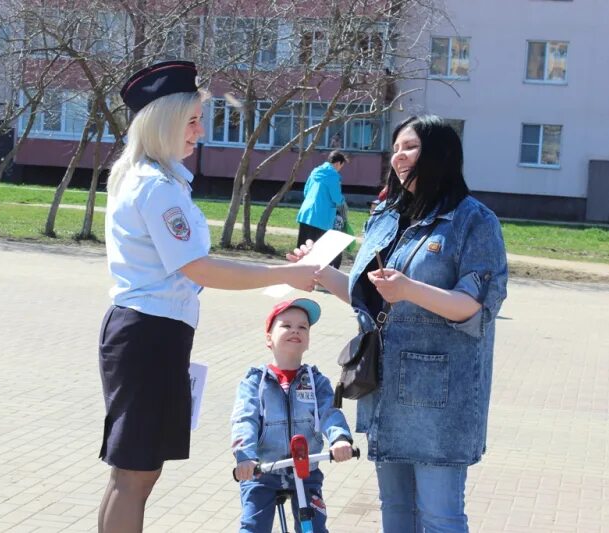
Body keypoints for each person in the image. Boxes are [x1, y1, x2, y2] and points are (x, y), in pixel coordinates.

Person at [97, 60, 319, 533]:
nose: (201, 131)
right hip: (148, 333)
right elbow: (199, 268)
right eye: (192, 121)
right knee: (135, 472)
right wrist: (286, 273)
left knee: (136, 471)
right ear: (164, 123)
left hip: (152, 330)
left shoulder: (157, 180)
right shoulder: (156, 188)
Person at [289, 115, 508, 532]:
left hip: (441, 398)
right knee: (396, 511)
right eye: (396, 148)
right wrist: (316, 271)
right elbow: (367, 292)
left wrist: (409, 289)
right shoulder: (386, 216)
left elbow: (473, 307)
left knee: (440, 516)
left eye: (410, 147)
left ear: (439, 154)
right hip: (385, 388)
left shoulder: (474, 221)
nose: (398, 156)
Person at [232, 298, 354, 533]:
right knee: (253, 526)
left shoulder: (315, 380)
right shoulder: (255, 382)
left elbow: (329, 412)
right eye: (286, 325)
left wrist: (340, 439)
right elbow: (244, 419)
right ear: (269, 338)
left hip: (305, 469)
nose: (295, 330)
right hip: (262, 471)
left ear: (307, 340)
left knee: (314, 527)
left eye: (302, 327)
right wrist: (245, 456)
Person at [296, 150, 348, 269]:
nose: (340, 169)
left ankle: (299, 272)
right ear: (338, 163)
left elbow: (306, 191)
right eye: (342, 166)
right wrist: (342, 200)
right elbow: (336, 197)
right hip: (321, 216)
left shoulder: (315, 171)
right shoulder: (333, 176)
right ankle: (317, 275)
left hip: (306, 213)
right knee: (319, 247)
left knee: (303, 245)